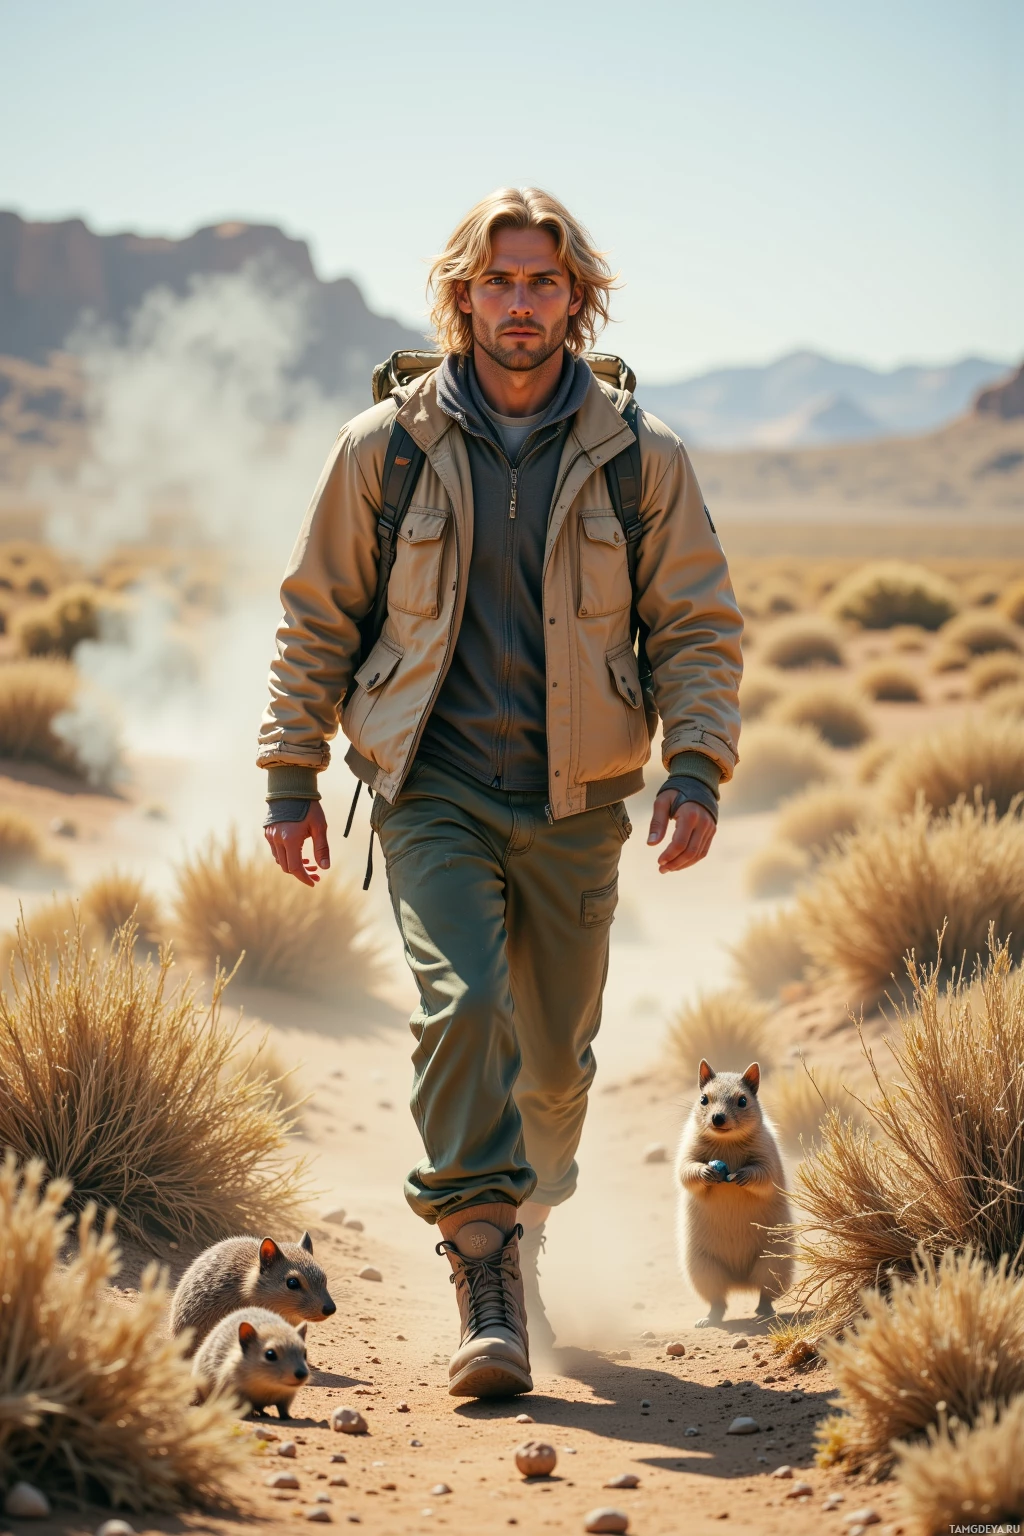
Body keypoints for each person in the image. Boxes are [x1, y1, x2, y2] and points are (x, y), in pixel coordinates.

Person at [258, 187, 742, 1399]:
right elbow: (317, 616)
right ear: (460, 294)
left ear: (575, 298)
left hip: (580, 801)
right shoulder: (386, 447)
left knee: (556, 1066)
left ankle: (528, 1216)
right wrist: (289, 774)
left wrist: (695, 765)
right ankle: (481, 1258)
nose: (519, 304)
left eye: (542, 282)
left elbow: (695, 624)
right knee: (463, 1007)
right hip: (432, 790)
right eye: (498, 281)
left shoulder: (641, 456)